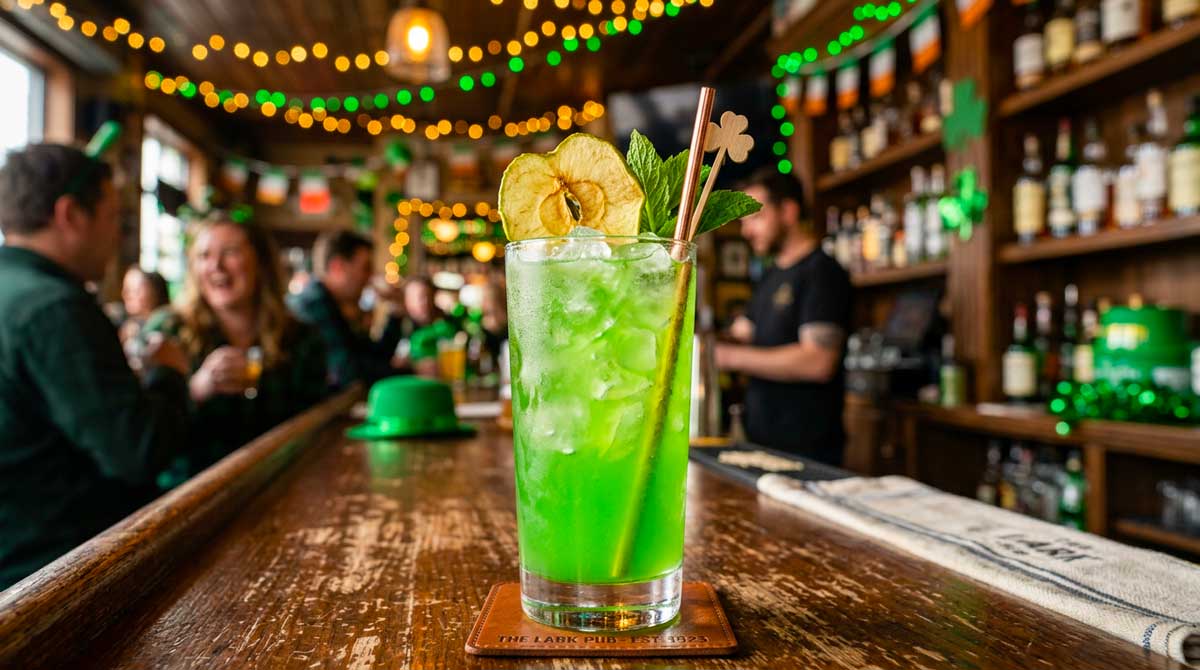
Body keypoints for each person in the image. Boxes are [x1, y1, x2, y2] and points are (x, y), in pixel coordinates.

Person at [0, 143, 192, 589]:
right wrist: (169, 373)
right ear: (70, 214)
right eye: (113, 219)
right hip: (51, 577)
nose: (117, 237)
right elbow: (138, 452)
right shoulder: (55, 307)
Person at [146, 215, 328, 486]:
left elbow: (313, 431)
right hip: (184, 499)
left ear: (261, 263)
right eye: (204, 255)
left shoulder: (301, 338)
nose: (215, 266)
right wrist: (196, 390)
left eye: (230, 252)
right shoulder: (168, 331)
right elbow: (144, 437)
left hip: (278, 488)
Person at [715, 169, 853, 466]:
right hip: (761, 444)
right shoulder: (770, 276)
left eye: (755, 217)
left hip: (808, 451)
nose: (746, 231)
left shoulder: (822, 272)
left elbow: (818, 361)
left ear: (788, 211)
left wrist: (729, 356)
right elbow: (744, 332)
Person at [289, 230, 404, 389]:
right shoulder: (313, 306)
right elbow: (350, 373)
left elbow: (375, 356)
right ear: (338, 267)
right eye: (365, 268)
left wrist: (395, 311)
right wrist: (413, 371)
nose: (370, 277)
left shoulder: (333, 305)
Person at [114, 266, 171, 344]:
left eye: (135, 290)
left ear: (156, 292)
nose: (126, 295)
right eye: (126, 289)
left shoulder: (166, 324)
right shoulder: (126, 327)